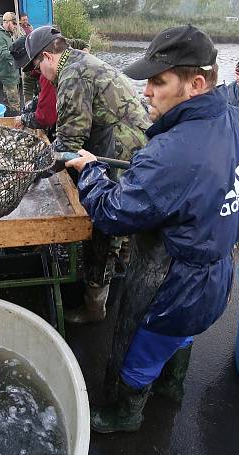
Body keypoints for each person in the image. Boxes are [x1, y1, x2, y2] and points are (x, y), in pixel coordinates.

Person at [63, 25, 239, 434]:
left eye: (157, 81)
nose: (146, 92)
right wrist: (226, 198)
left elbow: (114, 214)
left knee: (143, 345)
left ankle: (126, 414)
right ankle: (172, 387)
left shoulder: (169, 152)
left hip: (172, 279)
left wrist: (91, 173)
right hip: (219, 270)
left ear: (196, 83)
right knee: (184, 332)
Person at [25, 25, 151, 324]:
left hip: (122, 148)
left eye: (36, 67)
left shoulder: (72, 76)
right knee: (126, 217)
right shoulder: (81, 60)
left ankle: (95, 306)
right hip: (136, 143)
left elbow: (69, 142)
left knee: (103, 221)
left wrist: (32, 171)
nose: (39, 74)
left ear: (47, 57)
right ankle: (123, 269)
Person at [12, 37, 90, 132]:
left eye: (29, 64)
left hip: (88, 122)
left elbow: (46, 117)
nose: (25, 67)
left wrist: (23, 119)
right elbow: (28, 85)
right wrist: (29, 105)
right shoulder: (39, 68)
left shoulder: (49, 73)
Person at [0, 12, 20, 115]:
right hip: (8, 74)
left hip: (11, 71)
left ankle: (8, 119)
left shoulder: (8, 34)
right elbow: (3, 53)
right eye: (14, 23)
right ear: (6, 23)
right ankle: (16, 123)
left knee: (8, 101)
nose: (15, 26)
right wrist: (18, 54)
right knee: (14, 102)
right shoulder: (0, 36)